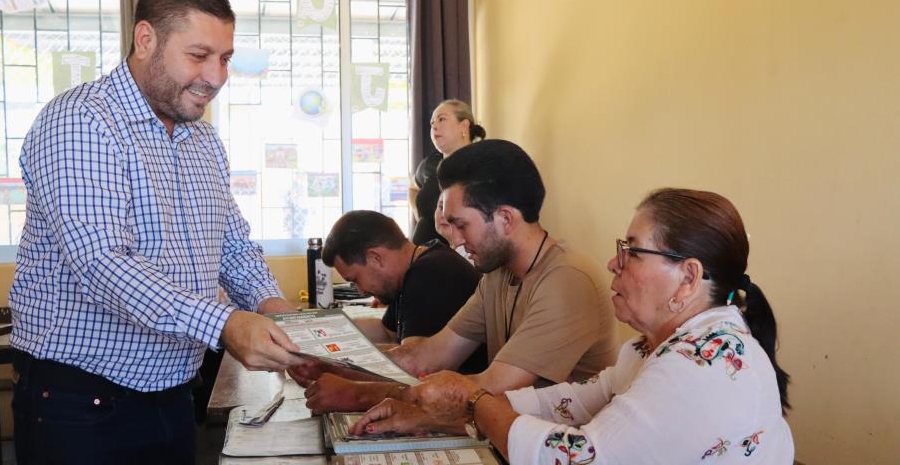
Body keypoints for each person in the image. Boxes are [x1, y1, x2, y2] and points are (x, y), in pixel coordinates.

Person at [7, 0, 305, 464]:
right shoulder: (82, 121)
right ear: (145, 40)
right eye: (198, 55)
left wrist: (271, 305)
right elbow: (103, 264)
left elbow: (231, 244)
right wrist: (227, 325)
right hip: (82, 404)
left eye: (225, 58)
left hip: (172, 394)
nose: (215, 77)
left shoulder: (202, 140)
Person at [356, 188, 794, 464]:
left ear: (688, 277)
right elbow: (570, 403)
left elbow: (577, 455)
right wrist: (438, 416)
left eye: (632, 252)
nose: (612, 263)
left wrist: (471, 401)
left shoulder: (698, 365)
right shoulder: (649, 349)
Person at [291, 139, 618, 418]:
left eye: (461, 225)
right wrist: (330, 367)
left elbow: (488, 390)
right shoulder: (496, 276)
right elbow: (428, 354)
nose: (456, 241)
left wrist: (357, 394)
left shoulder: (566, 281)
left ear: (504, 218)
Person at [320, 210, 487, 373]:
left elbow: (412, 361)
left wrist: (333, 361)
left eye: (355, 279)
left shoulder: (430, 273)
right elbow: (387, 333)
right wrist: (329, 330)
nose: (361, 291)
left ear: (375, 258)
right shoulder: (412, 270)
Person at [409, 99, 486, 245]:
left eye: (441, 119)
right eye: (432, 123)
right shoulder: (429, 163)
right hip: (422, 257)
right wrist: (419, 215)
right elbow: (412, 187)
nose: (434, 126)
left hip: (461, 259)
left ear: (464, 125)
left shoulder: (481, 164)